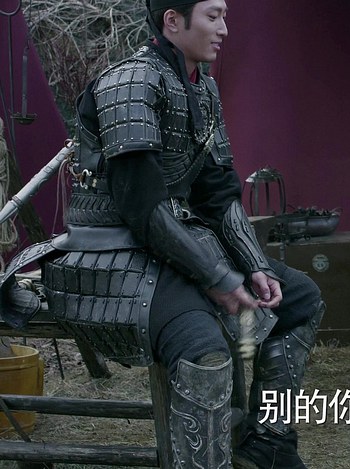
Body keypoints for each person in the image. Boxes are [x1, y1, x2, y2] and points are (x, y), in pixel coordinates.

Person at [1, 1, 323, 467]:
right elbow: (142, 205)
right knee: (204, 352)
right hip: (112, 255)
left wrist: (254, 265)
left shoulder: (202, 87)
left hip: (174, 245)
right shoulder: (129, 82)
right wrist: (217, 278)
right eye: (212, 16)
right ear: (173, 20)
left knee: (300, 299)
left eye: (225, 16)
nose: (224, 29)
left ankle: (268, 445)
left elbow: (218, 192)